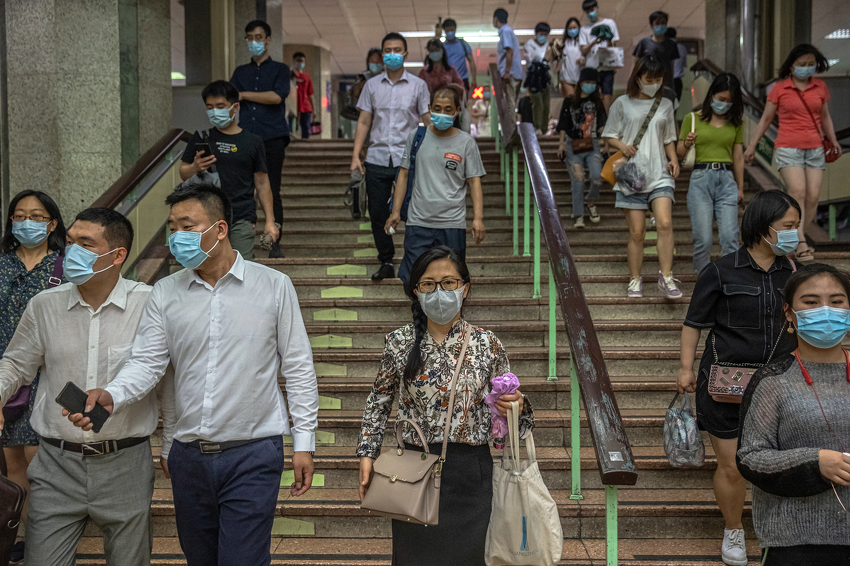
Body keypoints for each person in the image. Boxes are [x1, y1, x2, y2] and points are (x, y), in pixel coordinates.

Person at [69, 184, 320, 566]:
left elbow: (299, 367)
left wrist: (304, 441)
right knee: (199, 559)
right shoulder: (166, 292)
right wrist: (113, 394)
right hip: (190, 459)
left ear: (219, 229)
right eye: (171, 228)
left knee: (242, 559)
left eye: (187, 226)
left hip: (253, 452)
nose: (176, 237)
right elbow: (147, 362)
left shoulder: (272, 286)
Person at [0, 207, 168, 565]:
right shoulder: (45, 305)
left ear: (117, 254)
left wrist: (171, 443)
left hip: (125, 463)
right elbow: (16, 364)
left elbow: (159, 374)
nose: (70, 251)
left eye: (85, 243)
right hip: (55, 463)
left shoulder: (149, 304)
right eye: (70, 241)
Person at [357, 246, 534, 566]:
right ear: (416, 291)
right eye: (429, 284)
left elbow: (515, 421)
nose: (439, 291)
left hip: (472, 474)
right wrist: (367, 455)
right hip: (413, 472)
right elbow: (379, 401)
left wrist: (517, 405)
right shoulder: (399, 342)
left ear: (465, 288)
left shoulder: (487, 344)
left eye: (449, 282)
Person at [678, 190, 801, 566]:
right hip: (725, 384)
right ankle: (733, 529)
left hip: (780, 384)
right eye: (788, 227)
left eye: (797, 226)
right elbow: (694, 323)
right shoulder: (720, 270)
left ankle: (778, 529)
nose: (795, 233)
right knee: (731, 465)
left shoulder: (796, 274)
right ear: (764, 228)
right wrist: (684, 368)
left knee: (777, 462)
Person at [738, 263, 850, 566]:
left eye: (837, 301)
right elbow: (750, 457)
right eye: (811, 302)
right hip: (794, 542)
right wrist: (814, 462)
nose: (825, 310)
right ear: (790, 313)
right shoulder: (773, 380)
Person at [0, 191, 66, 562]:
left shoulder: (66, 265)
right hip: (6, 378)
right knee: (14, 465)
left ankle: (47, 537)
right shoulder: (2, 265)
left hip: (50, 376)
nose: (27, 222)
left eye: (37, 216)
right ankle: (22, 534)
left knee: (40, 459)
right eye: (19, 216)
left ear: (52, 223)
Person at [745, 44, 842, 262]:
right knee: (797, 191)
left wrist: (834, 141)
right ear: (791, 66)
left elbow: (825, 117)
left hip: (816, 147)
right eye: (802, 64)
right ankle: (801, 244)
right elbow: (766, 119)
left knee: (813, 196)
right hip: (788, 146)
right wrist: (752, 145)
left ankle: (796, 238)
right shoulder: (780, 89)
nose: (807, 68)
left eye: (810, 64)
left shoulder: (819, 87)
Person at [350, 33, 431, 282]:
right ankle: (386, 259)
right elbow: (364, 121)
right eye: (388, 50)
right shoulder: (372, 86)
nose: (392, 54)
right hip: (377, 157)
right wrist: (355, 155)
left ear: (406, 54)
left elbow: (427, 121)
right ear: (382, 53)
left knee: (412, 212)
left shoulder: (418, 85)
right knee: (376, 212)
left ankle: (414, 260)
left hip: (408, 160)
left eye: (397, 49)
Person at [385, 87, 486, 285]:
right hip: (418, 222)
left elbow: (474, 181)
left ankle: (452, 316)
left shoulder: (466, 143)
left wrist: (478, 219)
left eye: (448, 109)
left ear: (457, 111)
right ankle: (419, 315)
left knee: (452, 278)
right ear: (430, 108)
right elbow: (404, 174)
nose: (442, 113)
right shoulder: (416, 137)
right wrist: (395, 212)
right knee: (414, 277)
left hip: (452, 223)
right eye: (437, 108)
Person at [601, 55, 680, 299]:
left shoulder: (665, 104)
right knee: (637, 232)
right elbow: (608, 135)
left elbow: (668, 137)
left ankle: (666, 276)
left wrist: (674, 159)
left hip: (659, 174)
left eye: (658, 79)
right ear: (638, 77)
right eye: (649, 79)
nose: (654, 83)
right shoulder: (622, 103)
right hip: (631, 175)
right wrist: (622, 147)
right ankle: (635, 279)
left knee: (665, 223)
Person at [179, 80, 278, 261]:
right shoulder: (201, 137)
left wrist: (270, 221)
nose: (215, 111)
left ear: (235, 107)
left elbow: (262, 184)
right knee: (208, 266)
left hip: (242, 216)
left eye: (220, 106)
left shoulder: (252, 142)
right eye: (210, 107)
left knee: (240, 267)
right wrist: (195, 167)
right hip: (206, 218)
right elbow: (183, 172)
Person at [230, 19, 291, 259]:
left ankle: (274, 240)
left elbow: (277, 97)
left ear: (268, 40)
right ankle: (242, 241)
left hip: (273, 136)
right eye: (249, 38)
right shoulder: (240, 72)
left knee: (271, 188)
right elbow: (230, 100)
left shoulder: (280, 70)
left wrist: (244, 94)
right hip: (245, 137)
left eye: (258, 37)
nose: (254, 42)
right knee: (244, 190)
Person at [677, 73, 745, 274]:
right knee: (703, 239)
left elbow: (738, 157)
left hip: (726, 178)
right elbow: (680, 152)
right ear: (711, 95)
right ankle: (704, 283)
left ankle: (731, 281)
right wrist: (687, 142)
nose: (724, 104)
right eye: (721, 99)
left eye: (729, 101)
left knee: (730, 237)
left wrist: (740, 187)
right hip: (701, 177)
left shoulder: (736, 123)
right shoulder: (692, 119)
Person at [557, 68, 607, 229]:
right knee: (578, 179)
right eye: (587, 82)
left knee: (597, 175)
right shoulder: (570, 101)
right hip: (573, 145)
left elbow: (602, 124)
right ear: (580, 82)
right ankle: (579, 215)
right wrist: (561, 144)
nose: (590, 85)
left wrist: (606, 141)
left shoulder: (598, 103)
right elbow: (563, 123)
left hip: (592, 145)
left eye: (593, 83)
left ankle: (591, 202)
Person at [579, 0, 620, 112]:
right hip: (592, 67)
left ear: (597, 8)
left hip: (607, 65)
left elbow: (614, 45)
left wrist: (607, 39)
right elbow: (583, 50)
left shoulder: (609, 23)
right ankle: (591, 121)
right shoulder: (584, 30)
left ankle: (606, 122)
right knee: (592, 95)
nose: (590, 13)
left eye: (592, 10)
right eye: (587, 12)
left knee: (607, 94)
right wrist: (594, 42)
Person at [632, 11, 680, 103]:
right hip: (647, 82)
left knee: (666, 109)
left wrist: (670, 82)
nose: (661, 26)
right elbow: (636, 63)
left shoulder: (671, 44)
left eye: (663, 23)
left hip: (666, 83)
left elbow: (672, 65)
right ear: (651, 25)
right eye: (657, 23)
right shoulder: (644, 43)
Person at [523, 22, 552, 136]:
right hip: (534, 78)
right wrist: (543, 60)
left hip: (546, 78)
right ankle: (537, 126)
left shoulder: (548, 46)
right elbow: (530, 60)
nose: (543, 36)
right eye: (541, 34)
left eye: (545, 34)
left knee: (546, 104)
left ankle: (544, 128)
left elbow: (550, 60)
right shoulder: (529, 44)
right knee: (537, 103)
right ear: (536, 33)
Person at [493, 8, 523, 116]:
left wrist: (507, 71)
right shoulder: (509, 31)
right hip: (516, 73)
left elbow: (509, 51)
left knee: (510, 104)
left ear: (496, 19)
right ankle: (514, 129)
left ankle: (513, 131)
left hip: (511, 74)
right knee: (512, 103)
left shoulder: (505, 31)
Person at [438, 19, 477, 93]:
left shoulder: (463, 44)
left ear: (455, 29)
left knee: (462, 103)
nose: (450, 33)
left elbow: (471, 61)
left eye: (452, 30)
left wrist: (474, 79)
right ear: (444, 31)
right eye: (448, 31)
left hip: (463, 79)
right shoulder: (442, 47)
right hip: (448, 80)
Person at [549, 17, 583, 97]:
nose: (572, 30)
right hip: (566, 77)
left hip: (580, 77)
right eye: (570, 28)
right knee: (571, 101)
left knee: (579, 101)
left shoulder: (583, 43)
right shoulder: (563, 44)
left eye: (574, 27)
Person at [292, 52, 315, 140]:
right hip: (293, 106)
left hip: (306, 107)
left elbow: (310, 94)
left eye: (302, 61)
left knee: (305, 127)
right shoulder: (290, 76)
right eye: (298, 60)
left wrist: (313, 109)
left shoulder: (306, 77)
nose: (300, 63)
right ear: (294, 61)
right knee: (292, 127)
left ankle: (306, 146)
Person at [666, 27, 688, 103]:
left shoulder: (662, 48)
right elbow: (684, 64)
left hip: (665, 81)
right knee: (675, 106)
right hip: (677, 81)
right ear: (675, 36)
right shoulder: (682, 48)